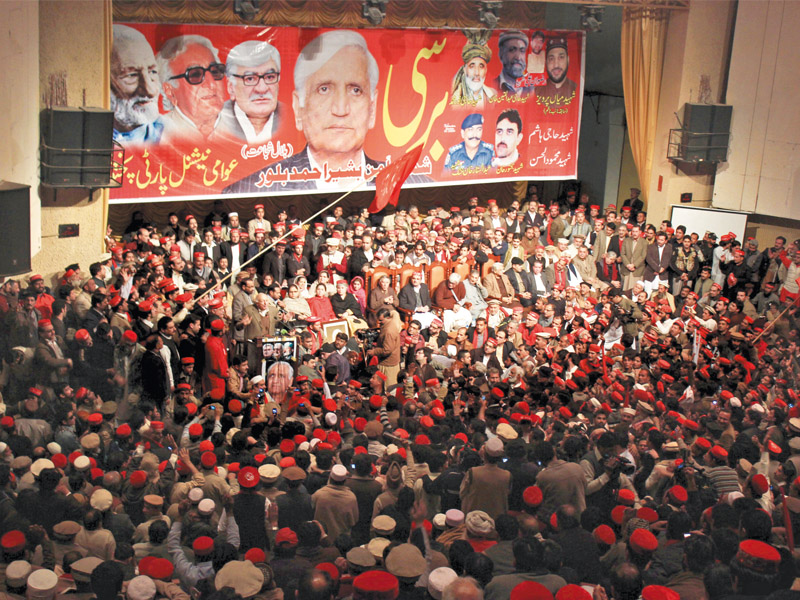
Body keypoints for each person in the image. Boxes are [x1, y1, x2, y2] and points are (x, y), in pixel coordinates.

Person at [224, 30, 380, 193]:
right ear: (299, 109)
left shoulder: (398, 180)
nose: (340, 109)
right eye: (324, 89)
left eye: (355, 90)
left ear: (372, 107)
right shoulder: (250, 188)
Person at [155, 35, 226, 142]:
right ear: (170, 91)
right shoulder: (155, 135)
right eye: (195, 75)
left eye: (215, 71)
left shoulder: (242, 126)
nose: (211, 83)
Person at [213, 40, 283, 144]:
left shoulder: (293, 118)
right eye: (250, 79)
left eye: (270, 77)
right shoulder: (212, 124)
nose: (262, 88)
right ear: (231, 87)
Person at [110, 25, 163, 146]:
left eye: (152, 72)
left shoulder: (175, 135)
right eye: (131, 75)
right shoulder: (82, 137)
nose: (150, 90)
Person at [451, 31, 497, 109]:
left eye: (481, 66)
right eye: (472, 66)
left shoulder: (493, 95)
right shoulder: (456, 99)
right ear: (465, 70)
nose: (476, 73)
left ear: (486, 70)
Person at [535, 37, 577, 105]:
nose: (556, 64)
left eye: (561, 57)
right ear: (546, 62)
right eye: (551, 59)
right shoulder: (538, 91)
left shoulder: (576, 89)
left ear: (568, 60)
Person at [493, 30, 534, 96]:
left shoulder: (532, 90)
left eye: (522, 51)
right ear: (501, 54)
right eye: (512, 50)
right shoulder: (492, 86)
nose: (518, 57)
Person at [367, 307, 401, 385]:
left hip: (388, 364)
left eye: (381, 320)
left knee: (387, 386)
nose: (379, 322)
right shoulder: (391, 322)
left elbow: (387, 350)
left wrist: (374, 351)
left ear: (388, 317)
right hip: (390, 361)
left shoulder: (389, 331)